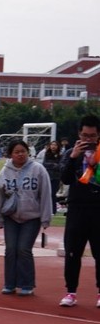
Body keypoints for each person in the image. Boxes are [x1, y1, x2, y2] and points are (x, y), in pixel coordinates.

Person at [0, 140, 52, 296]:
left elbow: (46, 194)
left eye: (23, 151)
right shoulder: (5, 172)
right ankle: (10, 283)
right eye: (16, 152)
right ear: (10, 154)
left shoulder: (38, 170)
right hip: (11, 217)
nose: (20, 154)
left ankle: (27, 284)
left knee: (24, 249)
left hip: (31, 217)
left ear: (28, 152)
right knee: (11, 249)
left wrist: (46, 217)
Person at [58, 114, 100, 307]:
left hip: (98, 209)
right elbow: (65, 179)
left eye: (92, 136)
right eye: (84, 135)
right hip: (76, 208)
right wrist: (74, 157)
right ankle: (71, 292)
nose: (88, 139)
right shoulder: (70, 153)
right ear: (79, 134)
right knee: (73, 252)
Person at [41, 140, 62, 214]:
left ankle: (53, 210)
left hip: (56, 177)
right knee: (46, 193)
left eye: (55, 145)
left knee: (53, 194)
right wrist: (53, 165)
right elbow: (44, 164)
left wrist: (53, 165)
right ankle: (45, 209)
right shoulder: (47, 154)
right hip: (48, 176)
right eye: (52, 145)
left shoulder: (60, 155)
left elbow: (60, 165)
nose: (53, 146)